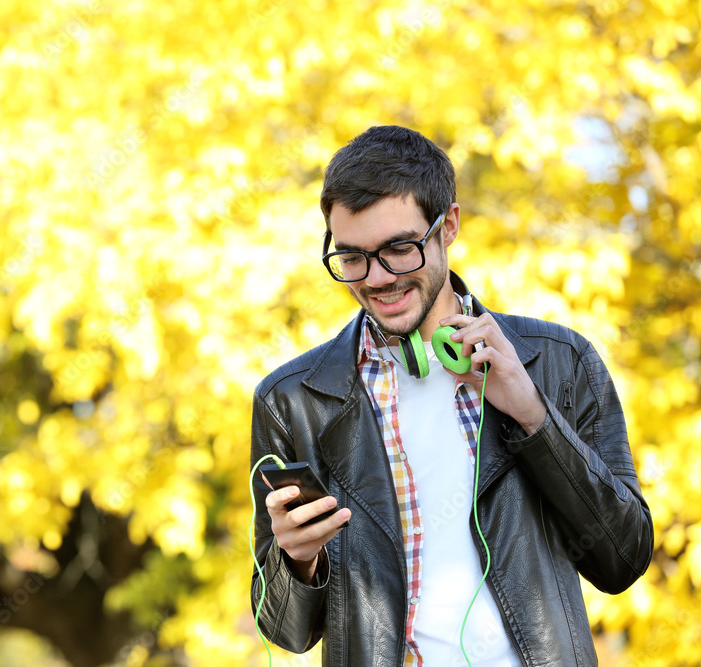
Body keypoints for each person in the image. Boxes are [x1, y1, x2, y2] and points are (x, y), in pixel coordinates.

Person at [249, 125, 653, 666]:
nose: (377, 279)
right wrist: (296, 561)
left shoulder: (559, 361)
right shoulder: (293, 399)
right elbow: (284, 632)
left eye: (399, 248)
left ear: (449, 227)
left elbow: (622, 558)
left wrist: (534, 415)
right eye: (352, 258)